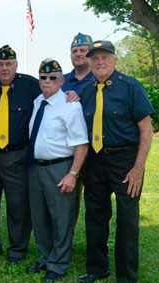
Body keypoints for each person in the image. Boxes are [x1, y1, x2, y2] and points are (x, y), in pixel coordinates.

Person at [77, 40, 154, 283]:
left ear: (114, 60)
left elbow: (146, 129)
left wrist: (138, 168)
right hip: (96, 162)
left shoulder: (131, 86)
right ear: (90, 62)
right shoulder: (87, 91)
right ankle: (97, 269)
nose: (99, 62)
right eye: (95, 58)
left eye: (104, 57)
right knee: (95, 216)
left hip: (125, 161)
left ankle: (127, 279)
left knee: (127, 220)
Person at [0, 45, 41, 264]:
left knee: (19, 205)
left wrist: (71, 94)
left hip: (17, 156)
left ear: (16, 66)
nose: (4, 68)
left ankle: (18, 249)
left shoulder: (31, 86)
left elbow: (53, 96)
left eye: (8, 64)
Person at [25, 59, 88, 283]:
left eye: (53, 78)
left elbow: (81, 143)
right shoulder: (37, 102)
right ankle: (46, 257)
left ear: (62, 80)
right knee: (40, 217)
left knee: (61, 218)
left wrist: (72, 174)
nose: (47, 82)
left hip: (59, 167)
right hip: (36, 168)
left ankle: (59, 264)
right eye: (43, 77)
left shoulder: (71, 105)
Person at [62, 32, 94, 224]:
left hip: (96, 151)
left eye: (83, 50)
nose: (78, 53)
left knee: (96, 201)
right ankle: (67, 240)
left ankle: (98, 245)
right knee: (67, 199)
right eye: (75, 51)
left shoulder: (98, 79)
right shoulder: (61, 81)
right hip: (68, 150)